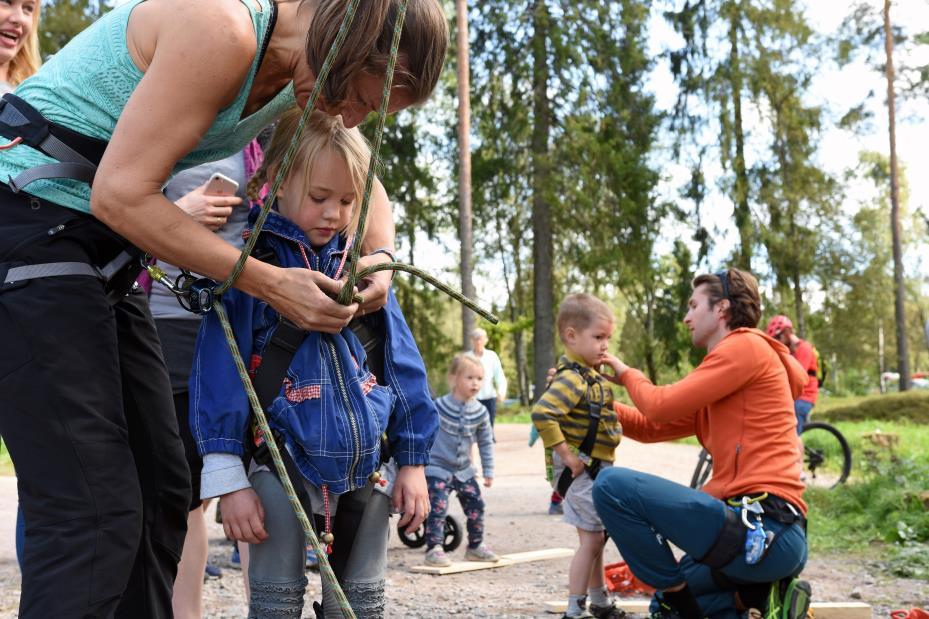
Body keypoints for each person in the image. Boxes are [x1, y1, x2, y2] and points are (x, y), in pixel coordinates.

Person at [0, 1, 447, 615]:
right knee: (91, 505)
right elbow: (120, 192)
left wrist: (379, 259)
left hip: (97, 253)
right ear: (350, 41)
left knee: (162, 489)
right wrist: (269, 283)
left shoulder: (304, 72)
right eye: (362, 100)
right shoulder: (223, 28)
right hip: (25, 224)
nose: (351, 118)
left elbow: (366, 180)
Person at [191, 109, 437, 618]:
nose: (334, 213)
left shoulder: (365, 278)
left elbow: (402, 365)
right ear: (277, 184)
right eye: (319, 197)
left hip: (367, 470)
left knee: (361, 605)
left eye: (348, 201)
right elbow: (218, 373)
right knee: (275, 602)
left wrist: (412, 461)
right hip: (275, 464)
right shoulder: (250, 272)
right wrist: (228, 479)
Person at [593, 269, 811, 619]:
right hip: (764, 540)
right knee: (665, 607)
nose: (686, 316)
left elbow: (659, 404)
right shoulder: (730, 376)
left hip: (762, 527)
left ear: (722, 308)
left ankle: (734, 599)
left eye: (694, 306)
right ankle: (759, 600)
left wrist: (625, 373)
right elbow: (651, 426)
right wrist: (590, 401)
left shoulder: (746, 346)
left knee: (611, 487)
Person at [148, 143, 262, 617]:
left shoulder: (261, 132)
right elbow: (117, 205)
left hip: (239, 317)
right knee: (184, 491)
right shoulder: (159, 122)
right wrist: (177, 215)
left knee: (258, 480)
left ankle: (269, 608)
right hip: (167, 318)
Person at [531, 293, 625, 619]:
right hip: (579, 469)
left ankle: (599, 602)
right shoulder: (572, 377)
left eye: (607, 339)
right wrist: (566, 454)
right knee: (592, 538)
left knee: (597, 536)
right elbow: (543, 414)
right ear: (571, 335)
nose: (605, 345)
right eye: (598, 337)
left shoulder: (587, 374)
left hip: (594, 468)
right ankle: (575, 608)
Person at [0, 0, 40, 576]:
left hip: (31, 290)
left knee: (46, 463)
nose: (18, 17)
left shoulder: (42, 88)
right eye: (8, 1)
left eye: (30, 7)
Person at [423, 353, 499, 567]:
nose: (475, 383)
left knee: (476, 503)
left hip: (464, 469)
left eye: (479, 379)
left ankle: (475, 546)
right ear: (454, 378)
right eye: (469, 378)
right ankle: (434, 548)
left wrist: (489, 471)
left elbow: (485, 443)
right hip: (437, 467)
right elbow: (424, 435)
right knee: (437, 506)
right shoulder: (437, 407)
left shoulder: (481, 413)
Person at [766, 315, 819, 434]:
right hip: (796, 397)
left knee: (791, 437)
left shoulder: (804, 348)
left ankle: (794, 451)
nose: (776, 341)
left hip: (804, 398)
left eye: (777, 337)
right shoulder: (791, 351)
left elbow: (797, 377)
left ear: (786, 333)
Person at [467, 327, 508, 425]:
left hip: (489, 397)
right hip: (472, 398)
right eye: (476, 339)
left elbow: (500, 376)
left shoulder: (492, 356)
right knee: (471, 427)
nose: (478, 341)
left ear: (485, 340)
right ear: (472, 341)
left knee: (489, 427)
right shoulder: (467, 357)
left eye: (481, 339)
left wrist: (501, 392)